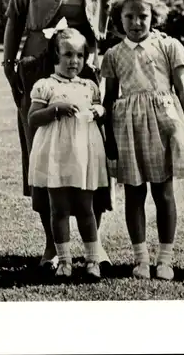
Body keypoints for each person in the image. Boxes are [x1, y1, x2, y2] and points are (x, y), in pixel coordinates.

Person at [2, 0, 121, 269]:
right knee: (42, 151)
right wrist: (9, 63)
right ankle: (53, 245)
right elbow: (16, 16)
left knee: (91, 152)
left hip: (90, 70)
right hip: (38, 67)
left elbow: (116, 24)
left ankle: (92, 245)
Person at [101, 0, 184, 281]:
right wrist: (110, 139)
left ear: (154, 16)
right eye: (130, 16)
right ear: (119, 18)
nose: (137, 22)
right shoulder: (113, 54)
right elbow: (109, 98)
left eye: (143, 16)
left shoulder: (169, 46)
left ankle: (165, 259)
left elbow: (182, 89)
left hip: (163, 123)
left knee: (164, 193)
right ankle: (140, 258)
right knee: (134, 194)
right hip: (127, 126)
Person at [28, 26, 107, 279]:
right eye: (68, 55)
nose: (75, 61)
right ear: (55, 56)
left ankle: (92, 260)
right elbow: (32, 118)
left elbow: (101, 109)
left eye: (80, 56)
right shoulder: (45, 86)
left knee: (86, 208)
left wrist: (99, 112)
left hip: (83, 155)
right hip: (55, 156)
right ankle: (64, 261)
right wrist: (55, 110)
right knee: (58, 209)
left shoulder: (89, 86)